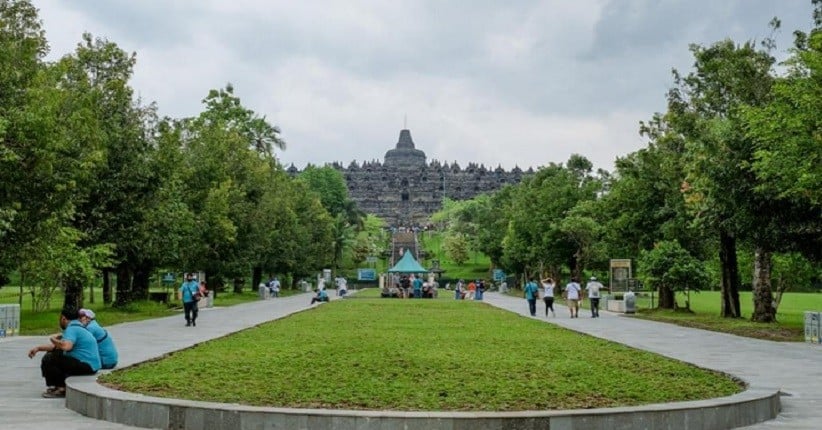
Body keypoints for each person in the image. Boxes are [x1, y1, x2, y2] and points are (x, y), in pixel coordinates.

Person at [28, 307, 101, 398]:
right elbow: (57, 347)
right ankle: (56, 386)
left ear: (63, 318)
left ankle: (61, 389)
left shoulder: (72, 329)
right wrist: (38, 348)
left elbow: (66, 346)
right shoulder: (78, 327)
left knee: (50, 358)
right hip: (92, 365)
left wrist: (53, 339)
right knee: (54, 354)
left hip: (87, 365)